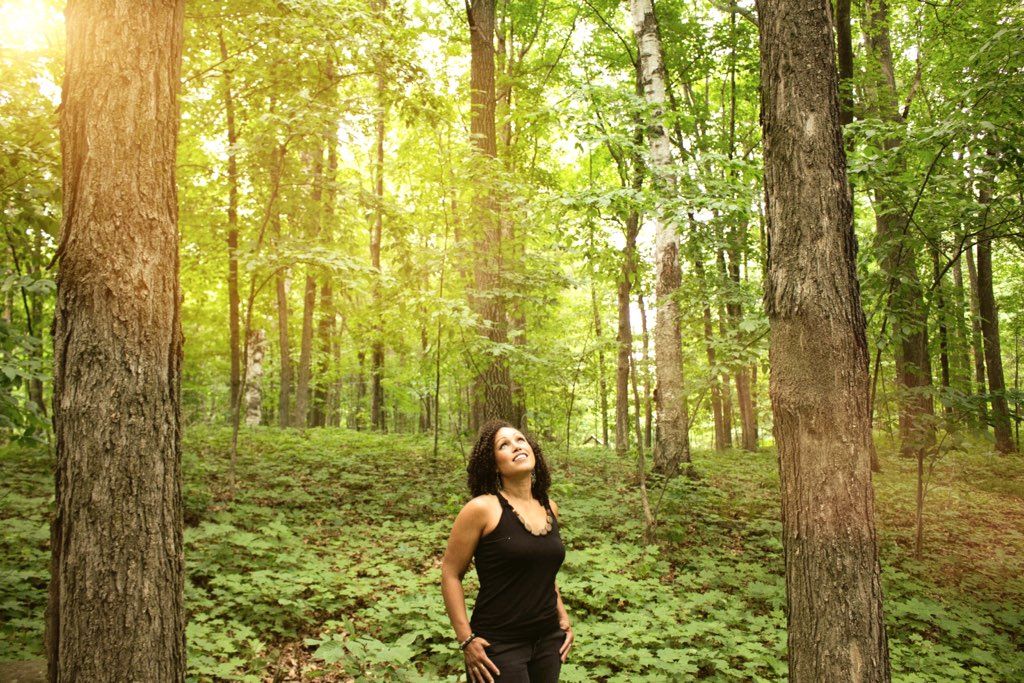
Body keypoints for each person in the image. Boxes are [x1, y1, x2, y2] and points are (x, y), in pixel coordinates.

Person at [441, 418, 575, 682]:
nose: (516, 446)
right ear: (493, 464)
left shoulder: (549, 507)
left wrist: (563, 617)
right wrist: (466, 639)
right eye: (504, 444)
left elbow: (543, 572)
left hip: (549, 640)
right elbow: (450, 573)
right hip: (499, 645)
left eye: (520, 439)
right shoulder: (482, 509)